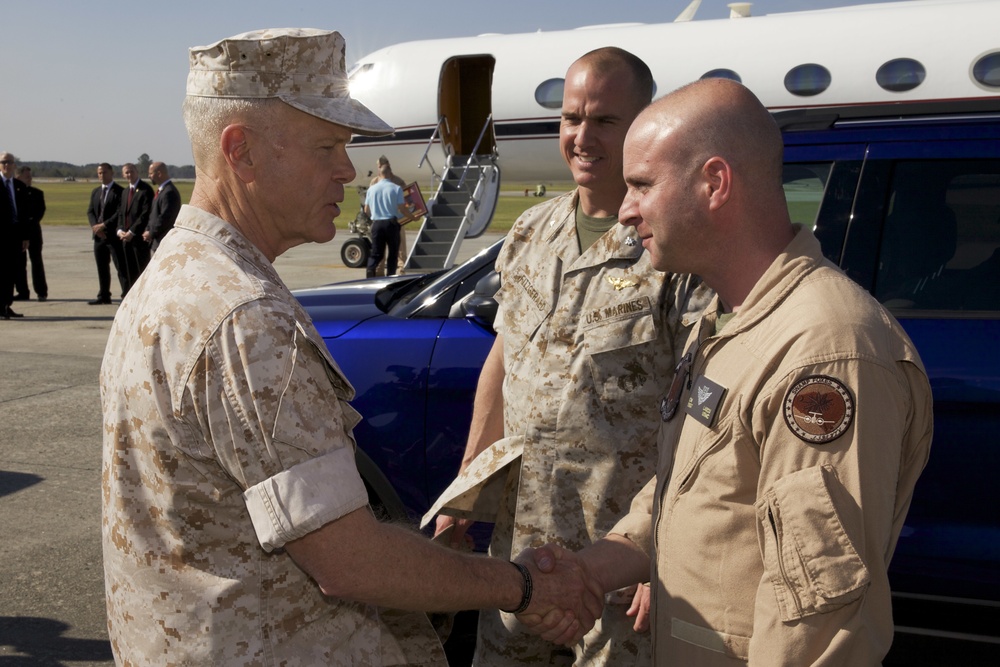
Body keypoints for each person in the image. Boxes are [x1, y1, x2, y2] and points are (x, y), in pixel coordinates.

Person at [100, 28, 603, 666]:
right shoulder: (245, 316)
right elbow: (347, 560)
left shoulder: (173, 276)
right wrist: (522, 585)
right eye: (327, 145)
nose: (348, 168)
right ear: (241, 151)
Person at [521, 78, 934, 665]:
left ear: (714, 183)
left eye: (641, 185)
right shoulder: (730, 318)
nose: (625, 208)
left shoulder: (823, 351)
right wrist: (590, 568)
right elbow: (701, 490)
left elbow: (816, 626)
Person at [427, 48, 710, 666]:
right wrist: (464, 492)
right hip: (523, 557)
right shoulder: (531, 232)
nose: (583, 137)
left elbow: (703, 417)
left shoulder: (673, 250)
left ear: (643, 124)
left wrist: (662, 546)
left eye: (606, 121)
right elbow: (506, 362)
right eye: (572, 118)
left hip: (616, 562)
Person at [86, 163, 124, 305]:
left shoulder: (119, 191)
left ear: (111, 173)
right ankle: (104, 295)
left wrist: (104, 225)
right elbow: (90, 211)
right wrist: (95, 227)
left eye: (104, 172)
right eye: (99, 173)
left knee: (120, 267)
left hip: (113, 236)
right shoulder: (96, 192)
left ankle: (126, 295)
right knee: (102, 267)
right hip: (99, 237)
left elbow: (119, 213)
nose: (101, 175)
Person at [364, 161, 408, 278]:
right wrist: (412, 217)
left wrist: (374, 215)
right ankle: (390, 275)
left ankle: (370, 269)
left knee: (376, 252)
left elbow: (366, 210)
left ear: (381, 170)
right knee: (393, 253)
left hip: (377, 223)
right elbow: (403, 207)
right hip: (392, 222)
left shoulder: (372, 187)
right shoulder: (397, 186)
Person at [115, 162, 154, 292]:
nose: (129, 174)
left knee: (141, 271)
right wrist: (120, 230)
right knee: (129, 271)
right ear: (123, 175)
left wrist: (132, 231)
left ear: (137, 172)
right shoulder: (125, 192)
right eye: (126, 172)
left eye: (131, 171)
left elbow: (145, 214)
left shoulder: (145, 190)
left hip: (138, 239)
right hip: (126, 239)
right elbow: (121, 213)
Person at [1, 152, 28, 318]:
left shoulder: (19, 186)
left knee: (11, 273)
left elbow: (24, 214)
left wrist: (25, 236)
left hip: (15, 237)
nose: (6, 165)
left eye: (9, 162)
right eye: (3, 162)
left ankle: (6, 304)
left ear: (14, 165)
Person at [13, 166, 47, 302]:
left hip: (33, 233)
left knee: (37, 262)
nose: (30, 179)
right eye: (27, 177)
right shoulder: (14, 193)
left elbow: (40, 212)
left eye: (31, 177)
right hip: (18, 233)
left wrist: (29, 224)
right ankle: (22, 292)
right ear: (18, 177)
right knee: (19, 264)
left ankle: (41, 292)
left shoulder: (37, 193)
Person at [143, 161, 181, 252]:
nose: (149, 176)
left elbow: (165, 217)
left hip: (163, 242)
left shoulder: (169, 192)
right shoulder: (162, 191)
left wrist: (151, 232)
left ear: (159, 174)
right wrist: (147, 229)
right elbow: (154, 214)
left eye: (151, 173)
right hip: (157, 240)